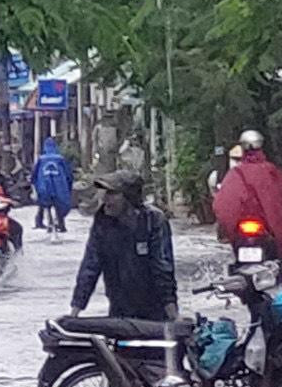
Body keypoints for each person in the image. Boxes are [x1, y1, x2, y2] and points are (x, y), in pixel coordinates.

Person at [68, 170, 177, 322]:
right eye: (105, 193)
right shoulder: (102, 223)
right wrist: (75, 311)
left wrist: (173, 314)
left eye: (112, 193)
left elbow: (162, 267)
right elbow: (90, 267)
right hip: (118, 307)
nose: (105, 199)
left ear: (129, 197)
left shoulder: (153, 221)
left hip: (154, 309)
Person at [212, 129, 282, 262]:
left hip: (242, 232)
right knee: (278, 260)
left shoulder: (235, 174)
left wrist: (227, 229)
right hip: (269, 230)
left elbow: (222, 205)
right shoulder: (271, 172)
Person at [31, 137, 73, 232]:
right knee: (59, 204)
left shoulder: (41, 159)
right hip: (59, 186)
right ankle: (61, 224)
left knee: (45, 204)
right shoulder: (60, 159)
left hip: (44, 185)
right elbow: (68, 173)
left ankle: (47, 223)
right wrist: (69, 185)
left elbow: (35, 174)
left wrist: (34, 185)